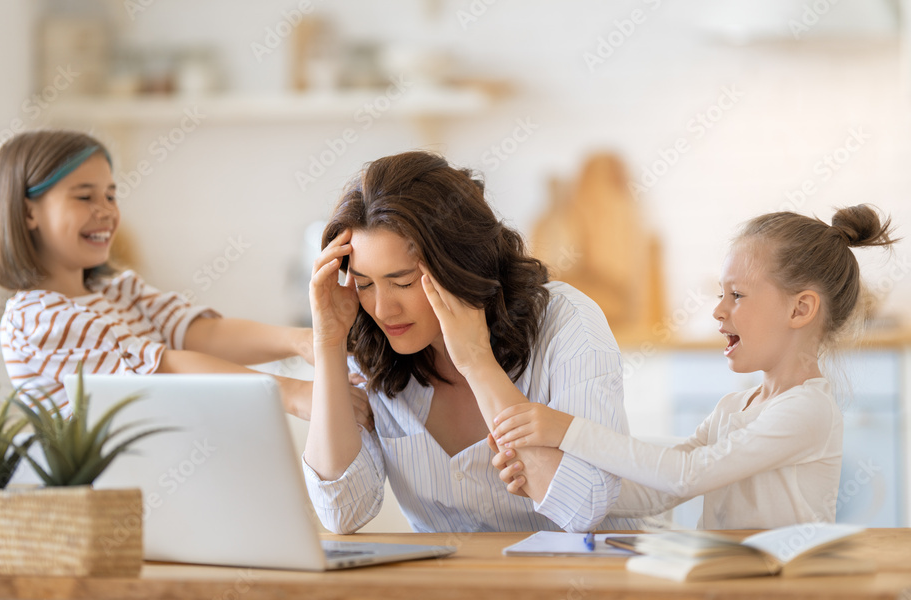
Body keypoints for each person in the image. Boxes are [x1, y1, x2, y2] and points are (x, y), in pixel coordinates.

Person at [490, 205, 897, 529]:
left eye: (737, 294)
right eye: (721, 294)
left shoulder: (807, 409)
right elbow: (658, 492)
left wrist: (567, 430)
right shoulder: (734, 407)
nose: (718, 310)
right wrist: (550, 484)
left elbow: (685, 475)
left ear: (800, 308)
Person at [303, 150, 642, 534]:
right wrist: (328, 342)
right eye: (364, 284)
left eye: (403, 283)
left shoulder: (567, 324)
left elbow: (584, 508)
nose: (383, 309)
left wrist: (478, 362)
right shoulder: (372, 346)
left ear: (461, 263)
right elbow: (341, 514)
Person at [0, 129, 368, 424]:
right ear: (29, 213)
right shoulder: (36, 315)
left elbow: (200, 334)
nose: (106, 211)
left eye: (111, 196)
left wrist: (303, 342)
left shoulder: (117, 290)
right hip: (102, 500)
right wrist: (297, 394)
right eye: (84, 197)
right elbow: (164, 367)